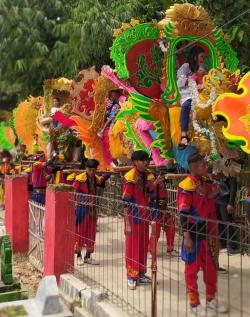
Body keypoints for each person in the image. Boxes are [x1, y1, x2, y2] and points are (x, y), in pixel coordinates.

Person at [177, 153, 227, 316]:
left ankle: (211, 300)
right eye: (203, 165)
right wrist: (187, 237)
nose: (206, 167)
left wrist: (213, 193)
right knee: (191, 270)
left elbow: (208, 203)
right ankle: (194, 302)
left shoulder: (206, 183)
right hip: (194, 234)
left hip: (210, 233)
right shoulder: (186, 185)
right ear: (194, 167)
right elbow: (183, 214)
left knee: (211, 269)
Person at [122, 150, 163, 290]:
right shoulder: (130, 177)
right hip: (133, 217)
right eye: (142, 160)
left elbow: (148, 192)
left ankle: (140, 273)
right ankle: (131, 276)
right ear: (135, 162)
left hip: (144, 216)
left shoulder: (146, 175)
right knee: (132, 246)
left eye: (146, 160)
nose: (145, 162)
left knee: (143, 245)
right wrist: (127, 223)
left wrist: (155, 183)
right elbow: (125, 201)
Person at [73, 159, 109, 265]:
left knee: (91, 233)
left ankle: (88, 256)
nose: (92, 172)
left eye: (94, 170)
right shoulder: (79, 179)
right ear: (86, 169)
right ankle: (78, 255)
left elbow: (101, 181)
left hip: (92, 209)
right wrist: (86, 200)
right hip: (81, 209)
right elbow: (73, 194)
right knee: (80, 232)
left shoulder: (95, 178)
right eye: (90, 170)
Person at [177, 46, 206, 148]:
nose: (203, 59)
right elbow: (180, 83)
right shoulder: (186, 66)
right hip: (188, 94)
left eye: (204, 57)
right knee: (186, 106)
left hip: (201, 93)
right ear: (195, 57)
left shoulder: (201, 68)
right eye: (201, 57)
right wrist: (193, 79)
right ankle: (184, 135)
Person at [216, 175, 239, 257]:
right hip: (215, 199)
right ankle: (223, 244)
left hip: (225, 200)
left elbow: (233, 186)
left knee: (227, 223)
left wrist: (231, 202)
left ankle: (230, 246)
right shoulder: (212, 170)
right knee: (219, 223)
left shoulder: (229, 171)